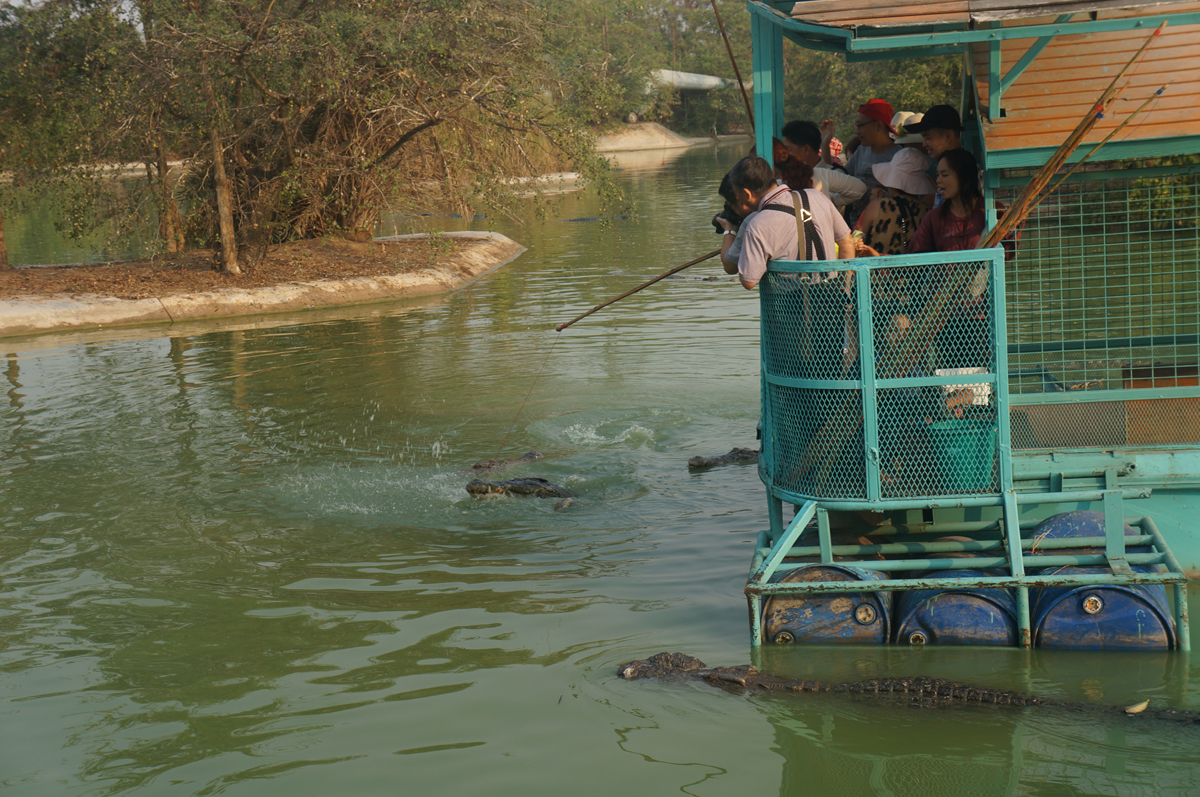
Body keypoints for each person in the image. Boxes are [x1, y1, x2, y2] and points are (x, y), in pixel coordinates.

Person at [716, 156, 854, 291]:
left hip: (789, 308)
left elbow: (749, 281)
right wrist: (843, 290)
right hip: (832, 303)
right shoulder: (817, 196)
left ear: (747, 194)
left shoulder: (755, 224)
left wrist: (730, 231)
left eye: (737, 195)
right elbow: (847, 243)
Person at [853, 148, 934, 257]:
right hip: (914, 273)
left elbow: (855, 238)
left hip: (878, 272)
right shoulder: (927, 211)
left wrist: (870, 206)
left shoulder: (877, 206)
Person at [779, 120, 867, 211]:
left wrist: (832, 201)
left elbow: (859, 190)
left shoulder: (832, 174)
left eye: (789, 150)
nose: (785, 155)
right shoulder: (789, 174)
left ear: (806, 150)